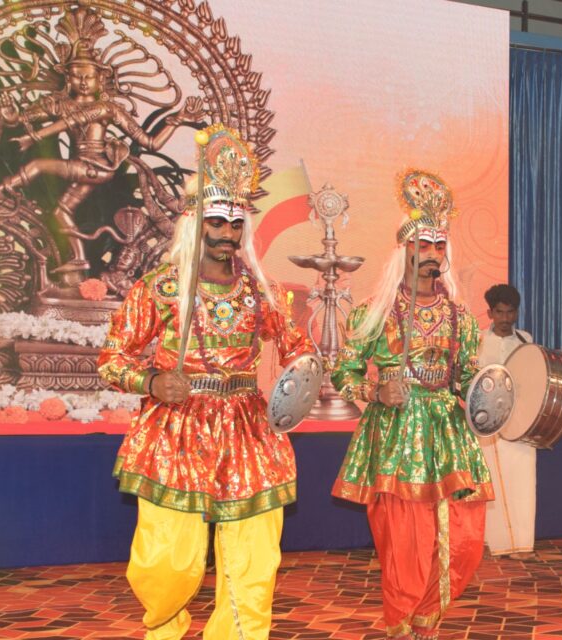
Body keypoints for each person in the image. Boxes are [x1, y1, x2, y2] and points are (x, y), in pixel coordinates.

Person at [97, 183, 313, 639]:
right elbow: (113, 358)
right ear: (195, 224)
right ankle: (164, 629)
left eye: (236, 224)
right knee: (169, 562)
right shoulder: (160, 288)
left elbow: (301, 350)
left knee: (253, 560)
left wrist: (293, 389)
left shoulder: (262, 292)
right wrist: (152, 382)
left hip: (250, 433)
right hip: (177, 431)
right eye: (217, 222)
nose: (227, 234)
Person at [330, 170, 492, 640]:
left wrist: (486, 396)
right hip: (397, 435)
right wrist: (373, 392)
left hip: (448, 434)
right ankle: (406, 628)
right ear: (404, 251)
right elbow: (345, 373)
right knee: (406, 547)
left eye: (440, 246)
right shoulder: (373, 313)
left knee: (464, 543)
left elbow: (466, 378)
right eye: (424, 245)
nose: (433, 256)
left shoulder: (461, 318)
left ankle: (427, 619)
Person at [476, 283, 537, 560]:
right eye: (499, 312)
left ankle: (521, 544)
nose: (505, 319)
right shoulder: (477, 341)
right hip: (485, 424)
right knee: (490, 483)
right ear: (490, 313)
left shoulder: (526, 340)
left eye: (510, 312)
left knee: (522, 481)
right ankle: (492, 542)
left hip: (520, 425)